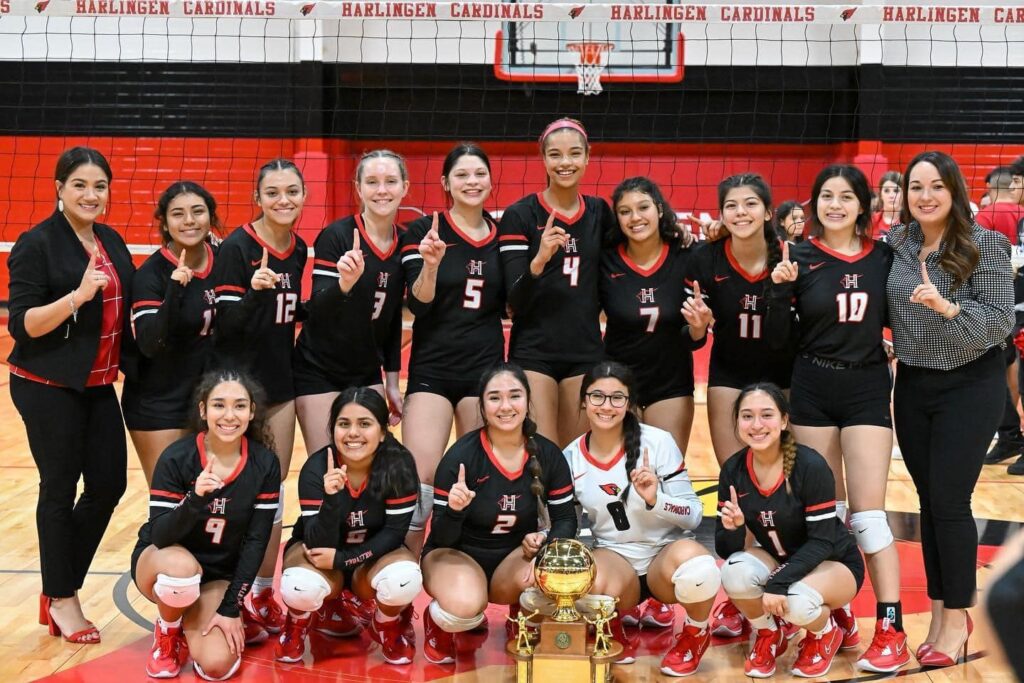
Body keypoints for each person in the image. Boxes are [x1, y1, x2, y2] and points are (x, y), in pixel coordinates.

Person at [767, 164, 907, 672]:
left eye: (846, 197)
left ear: (862, 207)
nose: (835, 205)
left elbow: (899, 317)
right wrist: (779, 291)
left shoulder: (886, 258)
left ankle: (891, 626)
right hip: (812, 386)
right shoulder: (798, 258)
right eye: (826, 196)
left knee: (868, 516)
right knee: (825, 513)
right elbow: (778, 339)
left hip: (866, 384)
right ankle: (836, 614)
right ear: (814, 204)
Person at [886, 150, 1013, 667]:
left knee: (950, 501)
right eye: (916, 186)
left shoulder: (987, 243)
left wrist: (949, 307)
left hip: (971, 385)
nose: (925, 196)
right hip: (914, 384)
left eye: (936, 186)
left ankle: (958, 617)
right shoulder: (895, 247)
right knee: (926, 500)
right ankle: (939, 607)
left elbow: (1001, 321)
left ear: (954, 190)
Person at [8, 147, 135, 645]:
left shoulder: (111, 240)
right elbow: (24, 324)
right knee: (59, 488)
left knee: (108, 486)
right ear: (59, 188)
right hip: (46, 386)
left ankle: (59, 582)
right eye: (79, 184)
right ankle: (62, 599)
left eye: (99, 185)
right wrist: (76, 298)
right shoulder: (36, 243)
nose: (90, 194)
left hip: (98, 385)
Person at [561, 362, 716, 675]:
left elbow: (694, 515)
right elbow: (567, 526)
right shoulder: (571, 457)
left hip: (663, 557)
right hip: (615, 559)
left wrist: (656, 499)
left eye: (617, 398)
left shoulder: (657, 442)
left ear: (630, 403)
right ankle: (607, 622)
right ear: (583, 401)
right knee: (583, 578)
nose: (607, 406)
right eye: (597, 397)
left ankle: (696, 634)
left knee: (700, 570)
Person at [420, 363, 577, 664]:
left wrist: (545, 551)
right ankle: (439, 623)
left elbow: (566, 520)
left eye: (514, 396)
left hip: (512, 559)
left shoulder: (547, 455)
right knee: (465, 607)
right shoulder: (461, 457)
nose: (505, 406)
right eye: (494, 398)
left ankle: (523, 617)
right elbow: (441, 538)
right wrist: (454, 511)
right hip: (456, 554)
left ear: (528, 401)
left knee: (556, 575)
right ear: (481, 405)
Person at [131, 370, 281, 680]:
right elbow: (160, 535)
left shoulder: (264, 463)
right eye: (219, 405)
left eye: (240, 406)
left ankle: (199, 619)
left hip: (217, 576)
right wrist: (195, 498)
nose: (229, 415)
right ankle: (169, 632)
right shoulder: (177, 457)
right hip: (162, 563)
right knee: (180, 571)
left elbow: (255, 543)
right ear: (203, 410)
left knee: (216, 666)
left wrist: (230, 607)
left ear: (252, 412)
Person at [212, 158, 308, 634]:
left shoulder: (300, 247)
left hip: (281, 386)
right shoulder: (237, 248)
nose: (283, 200)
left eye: (292, 191)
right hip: (237, 391)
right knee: (237, 494)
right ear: (258, 198)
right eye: (272, 192)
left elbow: (290, 314)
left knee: (272, 493)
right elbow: (225, 328)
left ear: (303, 196)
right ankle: (231, 589)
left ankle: (265, 590)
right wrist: (252, 292)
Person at [717, 384, 864, 679]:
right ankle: (770, 634)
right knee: (734, 572)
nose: (756, 425)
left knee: (795, 601)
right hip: (781, 559)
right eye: (747, 416)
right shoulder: (733, 469)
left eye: (766, 415)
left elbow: (823, 542)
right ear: (737, 423)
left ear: (784, 421)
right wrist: (734, 529)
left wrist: (777, 583)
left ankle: (825, 632)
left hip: (834, 562)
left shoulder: (810, 466)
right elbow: (725, 549)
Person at [399, 143, 504, 550]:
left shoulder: (503, 235)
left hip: (486, 372)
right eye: (461, 175)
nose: (471, 182)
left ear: (490, 181)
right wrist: (431, 265)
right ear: (446, 182)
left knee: (478, 479)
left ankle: (466, 567)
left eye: (479, 174)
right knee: (420, 480)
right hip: (433, 370)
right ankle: (404, 578)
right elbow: (419, 303)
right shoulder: (424, 231)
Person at [275, 387, 421, 665]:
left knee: (404, 577)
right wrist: (332, 500)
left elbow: (394, 534)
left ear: (382, 431)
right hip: (320, 555)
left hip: (370, 559)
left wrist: (345, 559)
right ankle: (296, 624)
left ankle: (386, 623)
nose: (353, 433)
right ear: (333, 431)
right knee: (300, 586)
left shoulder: (399, 464)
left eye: (364, 424)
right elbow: (316, 542)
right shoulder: (317, 468)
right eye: (344, 424)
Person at [498, 117, 616, 446]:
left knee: (577, 458)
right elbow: (514, 303)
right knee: (544, 456)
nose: (565, 163)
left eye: (574, 154)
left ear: (588, 157)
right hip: (534, 351)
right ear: (544, 158)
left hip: (585, 350)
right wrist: (539, 260)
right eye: (555, 155)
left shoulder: (599, 212)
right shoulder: (520, 215)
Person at [294, 149, 407, 457]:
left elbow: (392, 318)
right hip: (319, 368)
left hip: (366, 370)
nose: (381, 190)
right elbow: (315, 309)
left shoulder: (406, 242)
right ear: (358, 188)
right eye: (372, 182)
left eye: (390, 181)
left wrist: (392, 384)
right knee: (327, 464)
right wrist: (344, 284)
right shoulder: (337, 237)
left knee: (369, 463)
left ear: (404, 187)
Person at [124, 181, 219, 484]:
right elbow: (151, 343)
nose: (189, 220)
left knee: (211, 496)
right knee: (169, 499)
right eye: (178, 214)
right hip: (159, 401)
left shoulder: (227, 260)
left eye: (197, 211)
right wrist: (174, 290)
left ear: (210, 217)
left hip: (208, 399)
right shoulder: (151, 275)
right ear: (164, 223)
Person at [602, 177, 700, 454]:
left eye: (643, 207)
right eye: (625, 211)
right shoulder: (605, 259)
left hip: (670, 382)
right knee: (620, 475)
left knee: (665, 472)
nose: (635, 217)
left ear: (659, 209)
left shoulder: (687, 254)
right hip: (618, 380)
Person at [870, 171, 902, 238]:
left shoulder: (912, 223)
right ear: (880, 194)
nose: (891, 195)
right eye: (886, 191)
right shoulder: (870, 221)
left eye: (896, 191)